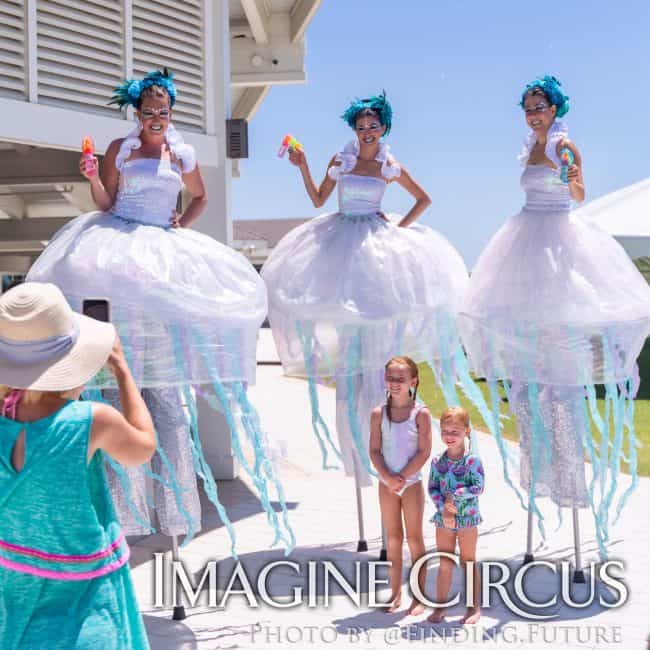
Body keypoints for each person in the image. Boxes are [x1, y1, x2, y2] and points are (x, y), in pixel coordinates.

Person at [26, 69, 292, 552]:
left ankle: (177, 515)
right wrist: (92, 179)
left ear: (171, 114)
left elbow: (201, 196)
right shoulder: (120, 150)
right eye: (148, 112)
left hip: (162, 255)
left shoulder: (182, 153)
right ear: (137, 114)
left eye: (163, 112)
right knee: (115, 387)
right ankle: (125, 518)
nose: (156, 119)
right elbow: (106, 202)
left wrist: (180, 222)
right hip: (118, 248)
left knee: (168, 402)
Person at [459, 76, 650, 558]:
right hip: (524, 247)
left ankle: (571, 487)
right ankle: (537, 478)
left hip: (561, 248)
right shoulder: (528, 148)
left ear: (555, 107)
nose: (533, 113)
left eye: (539, 106)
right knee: (530, 384)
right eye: (527, 107)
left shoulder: (566, 143)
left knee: (561, 391)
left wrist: (569, 174)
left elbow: (581, 193)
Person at [262, 92, 469, 486]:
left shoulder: (389, 165)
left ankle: (390, 448)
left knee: (379, 354)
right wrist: (303, 165)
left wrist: (397, 229)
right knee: (349, 362)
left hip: (376, 245)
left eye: (374, 125)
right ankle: (357, 456)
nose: (367, 131)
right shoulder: (341, 161)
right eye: (361, 125)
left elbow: (423, 199)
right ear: (354, 130)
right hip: (341, 243)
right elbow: (319, 198)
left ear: (384, 128)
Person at [0, 282, 153, 649]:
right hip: (84, 593)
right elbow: (142, 448)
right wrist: (123, 372)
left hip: (14, 582)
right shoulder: (90, 420)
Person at [369, 356, 432, 615]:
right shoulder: (378, 413)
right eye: (390, 378)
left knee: (414, 538)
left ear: (413, 382)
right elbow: (374, 450)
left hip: (411, 484)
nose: (394, 383)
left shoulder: (421, 414)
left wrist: (402, 477)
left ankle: (419, 595)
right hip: (386, 484)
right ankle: (395, 593)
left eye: (400, 379)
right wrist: (387, 476)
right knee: (393, 538)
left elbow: (424, 451)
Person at [427, 407, 484, 625]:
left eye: (455, 431)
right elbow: (432, 488)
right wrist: (443, 505)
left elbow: (478, 487)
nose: (449, 436)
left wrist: (454, 496)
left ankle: (473, 607)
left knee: (468, 561)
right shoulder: (437, 462)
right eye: (445, 431)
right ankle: (440, 606)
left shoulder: (472, 461)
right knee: (444, 563)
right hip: (444, 520)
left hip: (467, 519)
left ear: (467, 432)